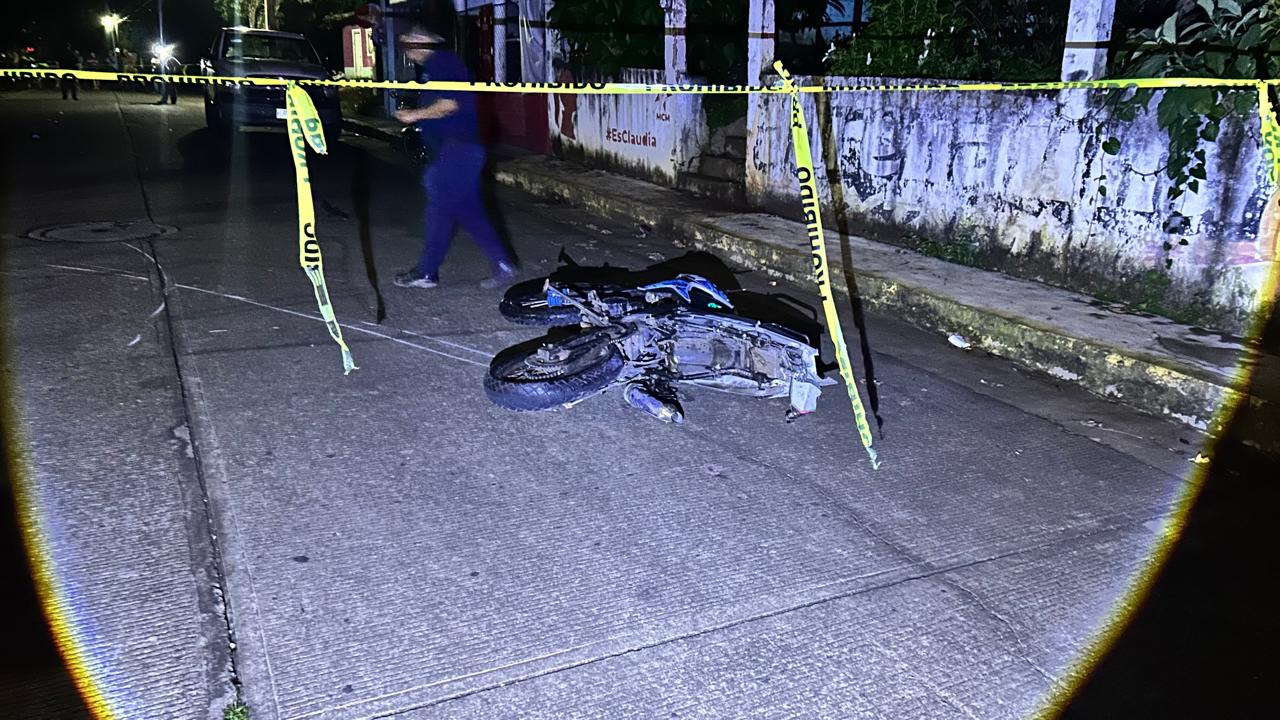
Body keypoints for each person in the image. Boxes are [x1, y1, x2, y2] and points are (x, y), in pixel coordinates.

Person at [391, 21, 517, 290]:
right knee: (467, 210)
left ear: (421, 40)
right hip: (459, 150)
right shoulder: (438, 66)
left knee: (439, 206)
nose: (408, 52)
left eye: (409, 44)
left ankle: (427, 272)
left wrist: (414, 115)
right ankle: (502, 263)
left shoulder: (442, 62)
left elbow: (450, 104)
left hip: (458, 149)